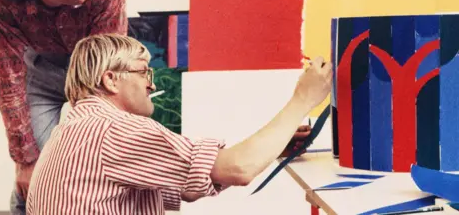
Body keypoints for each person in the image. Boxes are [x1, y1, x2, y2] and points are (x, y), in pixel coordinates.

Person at [26, 34, 332, 214]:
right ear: (110, 80)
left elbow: (183, 189)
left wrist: (272, 149)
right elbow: (237, 168)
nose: (151, 83)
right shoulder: (113, 129)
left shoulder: (74, 128)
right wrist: (303, 99)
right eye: (144, 71)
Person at [0, 0, 127, 213]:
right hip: (39, 72)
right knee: (36, 175)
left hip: (96, 72)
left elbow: (106, 71)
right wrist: (25, 161)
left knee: (92, 165)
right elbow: (6, 76)